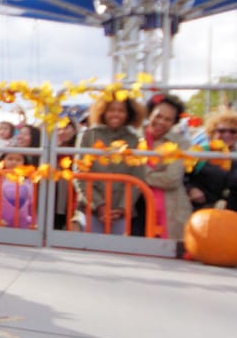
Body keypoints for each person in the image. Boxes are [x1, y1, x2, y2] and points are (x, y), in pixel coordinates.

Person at [77, 93, 145, 235]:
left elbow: (138, 178)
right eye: (111, 110)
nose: (116, 114)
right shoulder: (89, 136)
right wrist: (99, 205)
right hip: (91, 209)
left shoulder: (135, 141)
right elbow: (80, 175)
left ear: (128, 114)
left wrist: (121, 208)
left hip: (120, 214)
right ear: (103, 111)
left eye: (121, 111)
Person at [185, 109, 237, 233]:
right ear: (212, 132)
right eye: (221, 131)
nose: (227, 135)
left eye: (233, 131)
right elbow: (181, 177)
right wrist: (191, 189)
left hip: (231, 218)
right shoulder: (199, 152)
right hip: (200, 216)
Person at [136, 93, 192, 240]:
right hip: (134, 205)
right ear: (150, 114)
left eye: (168, 119)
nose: (161, 122)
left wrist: (139, 175)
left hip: (169, 208)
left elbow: (171, 179)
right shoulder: (134, 137)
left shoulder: (181, 143)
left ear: (174, 122)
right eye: (158, 116)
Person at [0, 151, 36, 228]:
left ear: (24, 162)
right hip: (1, 227)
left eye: (18, 160)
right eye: (10, 159)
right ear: (2, 161)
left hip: (24, 227)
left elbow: (31, 205)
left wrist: (32, 222)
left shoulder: (28, 181)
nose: (14, 162)